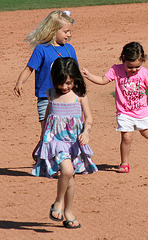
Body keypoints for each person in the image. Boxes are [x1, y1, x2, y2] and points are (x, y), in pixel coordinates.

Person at [82, 41, 148, 173]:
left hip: (142, 111)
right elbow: (102, 80)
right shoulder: (116, 70)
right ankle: (124, 163)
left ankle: (139, 127)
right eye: (130, 67)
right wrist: (89, 76)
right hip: (124, 112)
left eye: (137, 66)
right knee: (127, 137)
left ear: (142, 61)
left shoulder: (145, 73)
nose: (134, 70)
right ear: (123, 60)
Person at [31, 57, 98, 228]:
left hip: (74, 142)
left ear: (75, 79)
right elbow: (48, 115)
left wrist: (86, 133)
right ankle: (58, 202)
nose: (64, 87)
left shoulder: (79, 96)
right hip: (56, 141)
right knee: (67, 170)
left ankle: (68, 212)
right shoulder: (51, 93)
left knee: (71, 178)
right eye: (60, 83)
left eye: (68, 82)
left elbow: (89, 118)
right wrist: (42, 138)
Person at [14, 10, 78, 140]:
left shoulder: (69, 49)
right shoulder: (41, 49)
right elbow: (28, 69)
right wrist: (20, 82)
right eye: (66, 32)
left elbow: (75, 72)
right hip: (46, 97)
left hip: (66, 96)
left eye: (69, 31)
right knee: (47, 133)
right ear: (54, 30)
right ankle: (42, 155)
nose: (69, 35)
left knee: (65, 132)